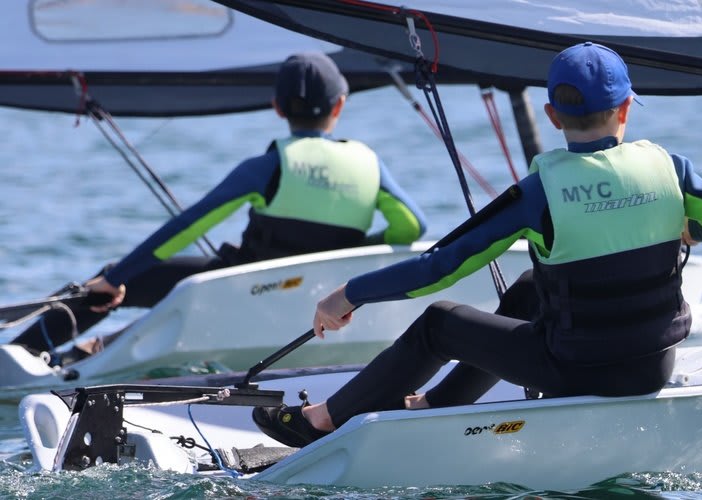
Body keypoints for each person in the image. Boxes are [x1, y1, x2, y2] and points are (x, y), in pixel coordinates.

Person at [252, 41, 702, 448]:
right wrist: (690, 228)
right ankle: (433, 406)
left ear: (553, 115)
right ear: (627, 107)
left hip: (575, 371)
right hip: (651, 366)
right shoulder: (670, 170)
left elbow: (438, 269)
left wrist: (349, 294)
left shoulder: (540, 193)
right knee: (528, 287)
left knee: (438, 323)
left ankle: (323, 420)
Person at [11, 52, 428, 363]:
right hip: (324, 301)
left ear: (277, 107)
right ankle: (95, 347)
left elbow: (187, 228)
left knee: (111, 282)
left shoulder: (268, 166)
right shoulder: (369, 165)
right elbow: (411, 226)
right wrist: (347, 253)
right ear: (340, 105)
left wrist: (117, 277)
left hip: (240, 293)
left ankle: (22, 354)